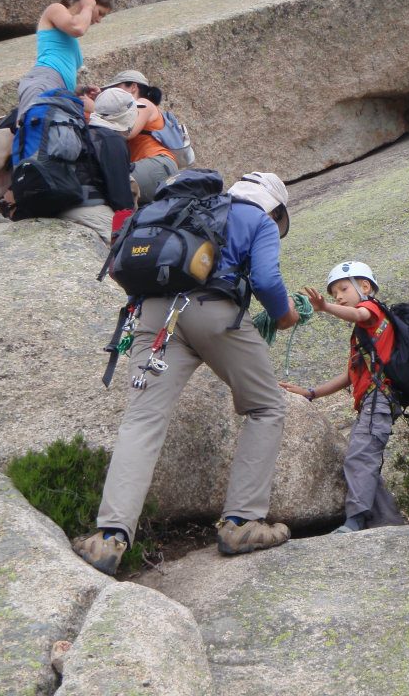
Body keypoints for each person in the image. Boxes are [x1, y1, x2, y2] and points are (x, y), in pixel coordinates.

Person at [73, 171, 299, 573]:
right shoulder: (258, 220)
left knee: (142, 420)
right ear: (275, 208)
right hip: (214, 312)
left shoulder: (194, 211)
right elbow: (265, 278)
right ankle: (242, 521)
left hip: (157, 316)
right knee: (266, 407)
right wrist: (284, 315)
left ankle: (109, 537)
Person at [281, 260, 405, 534]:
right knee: (363, 457)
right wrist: (311, 393)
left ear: (365, 286)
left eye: (343, 289)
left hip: (378, 401)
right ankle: (389, 522)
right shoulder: (365, 338)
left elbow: (360, 314)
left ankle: (355, 520)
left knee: (359, 457)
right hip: (373, 404)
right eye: (334, 293)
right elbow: (349, 376)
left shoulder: (372, 311)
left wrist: (324, 308)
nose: (338, 296)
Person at [18, 0, 112, 121]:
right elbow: (78, 28)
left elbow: (63, 69)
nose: (99, 20)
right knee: (34, 131)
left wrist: (81, 90)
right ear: (90, 0)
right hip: (44, 80)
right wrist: (87, 7)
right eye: (100, 13)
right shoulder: (55, 9)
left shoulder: (69, 38)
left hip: (59, 88)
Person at [56, 87, 138, 242]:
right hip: (84, 208)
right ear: (127, 115)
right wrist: (127, 231)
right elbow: (120, 197)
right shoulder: (112, 140)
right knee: (128, 246)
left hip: (58, 202)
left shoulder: (86, 132)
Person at [100, 69, 177, 204]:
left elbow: (128, 132)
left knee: (110, 187)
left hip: (158, 164)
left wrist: (95, 109)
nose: (111, 94)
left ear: (133, 87)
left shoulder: (143, 103)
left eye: (115, 88)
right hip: (149, 168)